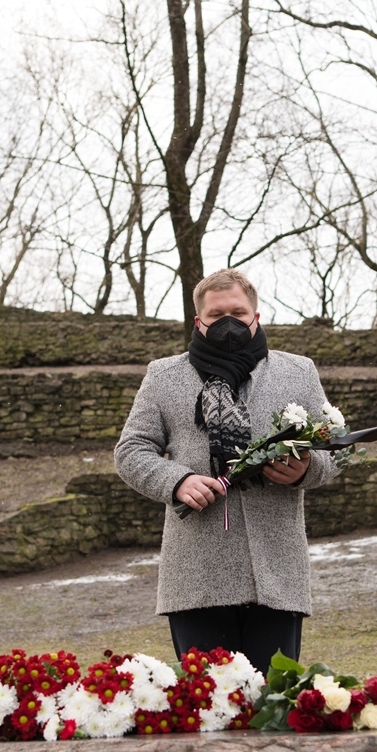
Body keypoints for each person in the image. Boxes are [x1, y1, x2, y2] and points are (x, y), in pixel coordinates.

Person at [115, 268, 340, 671]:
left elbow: (332, 448)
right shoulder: (164, 376)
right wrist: (177, 480)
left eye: (238, 312)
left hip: (277, 570)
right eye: (217, 316)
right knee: (209, 709)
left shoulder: (298, 372)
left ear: (256, 316)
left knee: (273, 705)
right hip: (197, 574)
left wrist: (306, 469)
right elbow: (131, 449)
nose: (229, 323)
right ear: (198, 322)